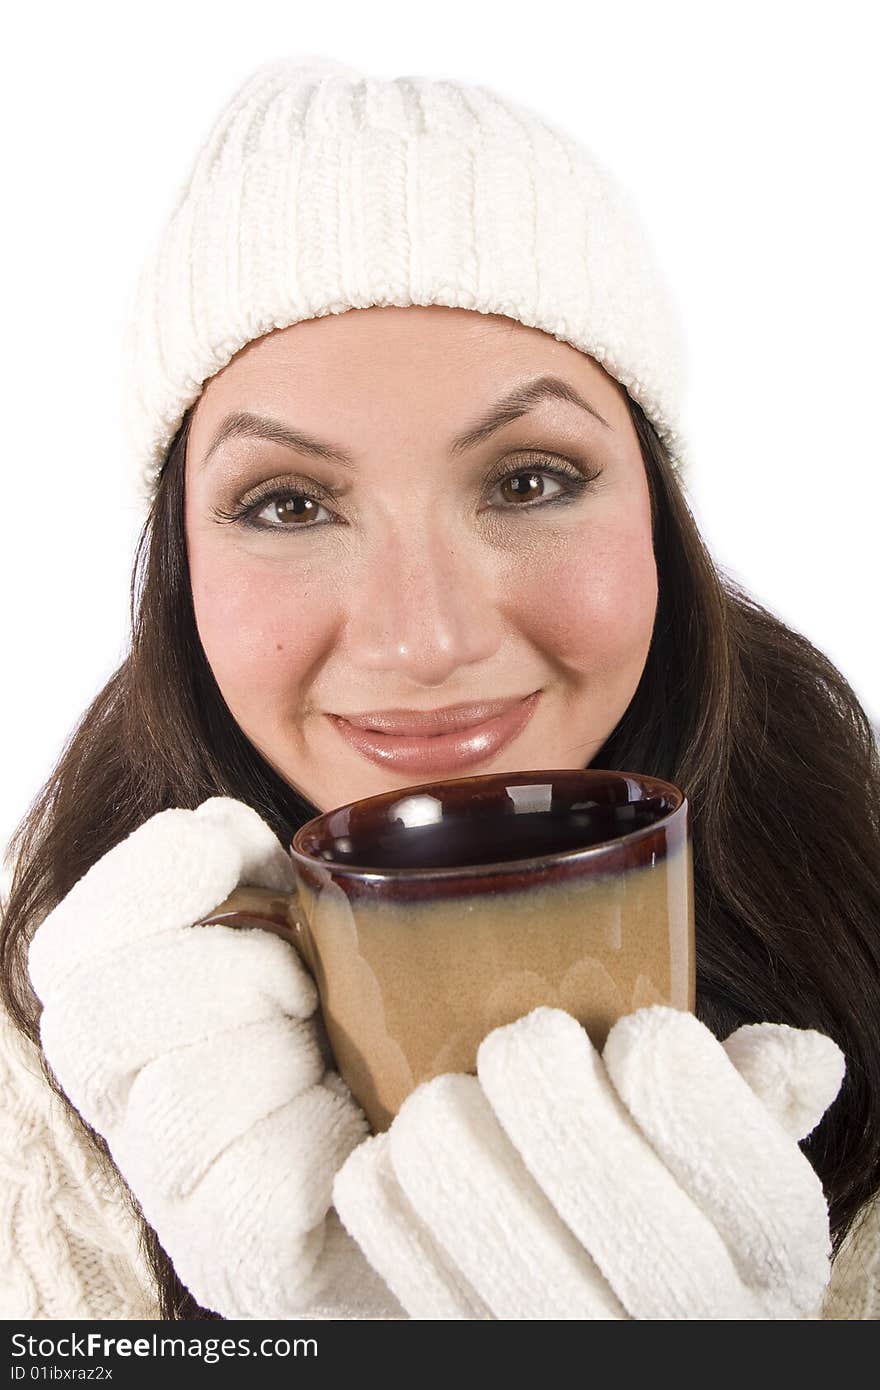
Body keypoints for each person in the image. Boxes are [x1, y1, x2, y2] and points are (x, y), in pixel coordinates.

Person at [1, 55, 878, 1322]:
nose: (424, 638)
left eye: (528, 479)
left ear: (660, 518)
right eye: (288, 503)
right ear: (179, 567)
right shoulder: (40, 1038)